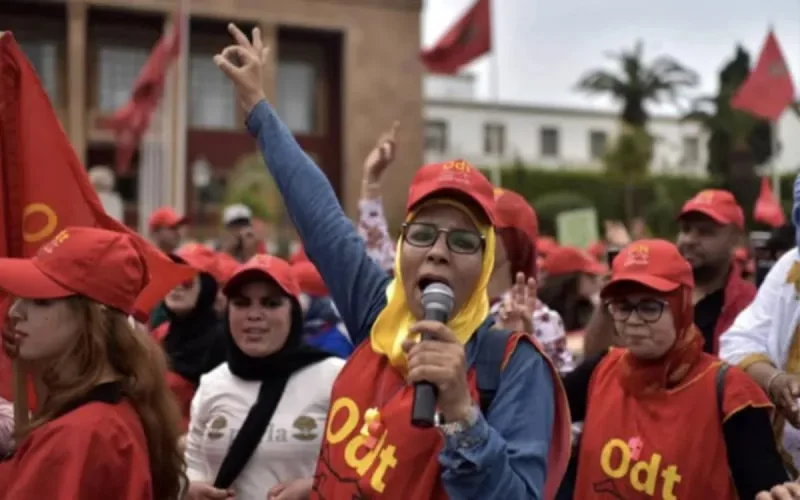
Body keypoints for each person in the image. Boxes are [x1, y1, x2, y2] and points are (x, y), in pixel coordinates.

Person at [214, 23, 570, 499]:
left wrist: (463, 416)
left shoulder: (511, 365)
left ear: (486, 263)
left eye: (463, 241)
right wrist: (259, 107)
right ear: (402, 250)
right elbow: (320, 214)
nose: (439, 251)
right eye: (422, 234)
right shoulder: (376, 313)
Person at [564, 239, 788, 498]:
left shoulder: (732, 393)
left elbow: (767, 490)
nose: (634, 320)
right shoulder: (598, 372)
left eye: (650, 307)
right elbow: (531, 413)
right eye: (623, 307)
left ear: (682, 305)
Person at [0, 227, 185, 499]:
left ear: (91, 318)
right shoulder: (111, 411)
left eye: (40, 301)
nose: (15, 312)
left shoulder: (80, 434)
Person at [185, 255, 343, 500]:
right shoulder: (211, 384)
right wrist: (191, 488)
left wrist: (316, 487)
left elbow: (365, 471)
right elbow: (194, 463)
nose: (254, 314)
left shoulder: (334, 377)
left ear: (294, 311)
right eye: (241, 302)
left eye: (270, 303)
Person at [152, 243, 226, 430]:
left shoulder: (223, 342)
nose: (176, 286)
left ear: (207, 287)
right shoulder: (160, 333)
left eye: (186, 280)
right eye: (170, 276)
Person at [676, 189, 755, 354]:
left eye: (705, 232)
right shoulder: (656, 292)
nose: (689, 240)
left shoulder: (752, 306)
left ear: (735, 239)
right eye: (685, 229)